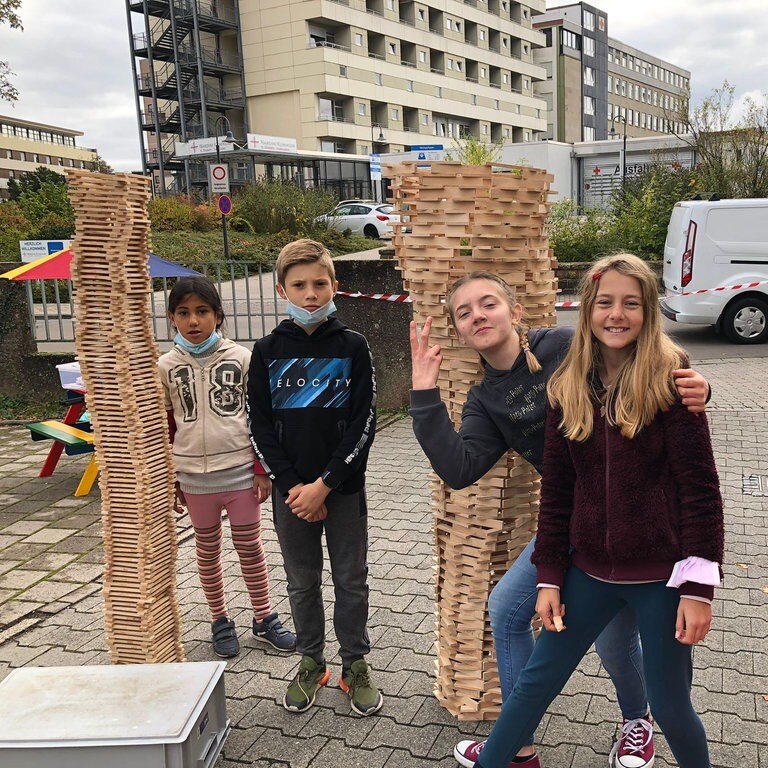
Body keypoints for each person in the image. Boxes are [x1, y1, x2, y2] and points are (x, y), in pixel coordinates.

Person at [409, 269, 711, 768]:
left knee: (617, 642)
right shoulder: (487, 398)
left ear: (516, 311)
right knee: (508, 607)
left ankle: (636, 722)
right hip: (575, 521)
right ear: (458, 332)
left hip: (643, 533)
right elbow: (458, 468)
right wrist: (424, 395)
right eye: (464, 313)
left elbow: (646, 361)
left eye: (488, 304)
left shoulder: (570, 347)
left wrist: (699, 386)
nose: (478, 316)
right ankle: (518, 744)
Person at [247, 239, 382, 716]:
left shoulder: (353, 347)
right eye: (299, 285)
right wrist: (293, 487)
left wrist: (325, 483)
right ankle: (310, 661)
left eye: (319, 284)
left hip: (342, 490)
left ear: (334, 287)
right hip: (291, 496)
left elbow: (365, 422)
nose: (310, 294)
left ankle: (354, 664)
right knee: (301, 583)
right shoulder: (265, 352)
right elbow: (258, 425)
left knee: (352, 580)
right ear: (282, 289)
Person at [159, 276, 296, 659]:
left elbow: (259, 417)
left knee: (250, 547)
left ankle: (264, 617)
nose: (193, 321)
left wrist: (260, 468)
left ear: (218, 316)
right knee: (206, 549)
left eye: (202, 311)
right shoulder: (165, 367)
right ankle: (220, 620)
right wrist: (171, 477)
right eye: (184, 313)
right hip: (193, 478)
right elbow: (166, 426)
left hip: (239, 472)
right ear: (172, 318)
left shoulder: (243, 358)